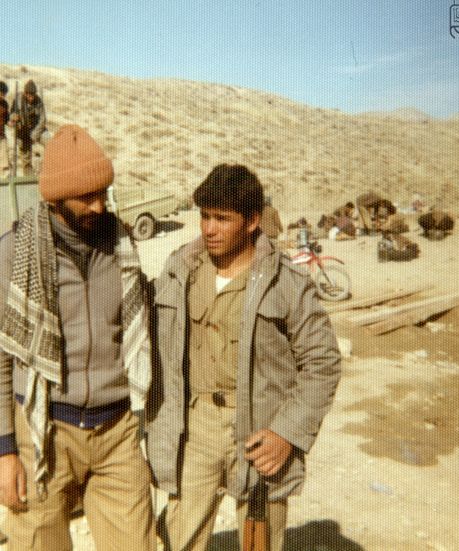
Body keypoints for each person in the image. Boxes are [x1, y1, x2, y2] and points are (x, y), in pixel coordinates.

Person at [146, 164, 342, 551]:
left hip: (260, 431)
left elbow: (323, 363)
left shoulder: (286, 282)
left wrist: (287, 433)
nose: (209, 229)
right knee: (180, 539)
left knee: (259, 542)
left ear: (252, 221)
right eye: (205, 216)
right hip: (195, 427)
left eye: (222, 218)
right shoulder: (180, 271)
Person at [0, 125, 154, 551]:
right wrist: (5, 451)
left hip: (118, 432)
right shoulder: (14, 252)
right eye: (85, 197)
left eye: (103, 193)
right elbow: (2, 358)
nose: (99, 206)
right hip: (44, 430)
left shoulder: (121, 245)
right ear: (55, 199)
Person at [8, 80, 49, 176]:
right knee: (26, 158)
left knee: (49, 141)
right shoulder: (18, 100)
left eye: (33, 96)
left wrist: (33, 136)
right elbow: (10, 114)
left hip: (37, 130)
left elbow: (42, 121)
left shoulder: (38, 102)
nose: (32, 98)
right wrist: (13, 117)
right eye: (30, 96)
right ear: (25, 94)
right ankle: (28, 178)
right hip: (22, 131)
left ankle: (49, 169)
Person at [0, 81, 10, 178]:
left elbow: (7, 120)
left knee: (4, 163)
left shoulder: (5, 104)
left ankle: (5, 183)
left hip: (2, 136)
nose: (3, 97)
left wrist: (13, 121)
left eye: (4, 95)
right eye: (1, 94)